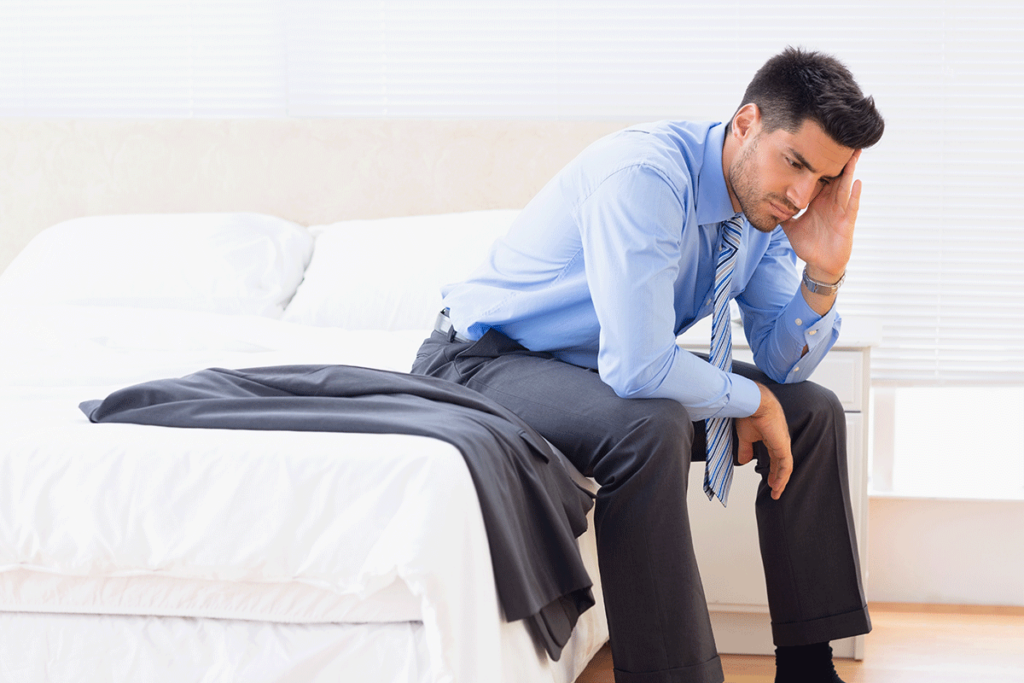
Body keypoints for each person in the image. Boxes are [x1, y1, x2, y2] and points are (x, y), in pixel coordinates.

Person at [411, 46, 884, 683]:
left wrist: (822, 272)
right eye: (794, 163)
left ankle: (809, 668)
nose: (802, 195)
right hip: (485, 361)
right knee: (650, 424)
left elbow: (781, 362)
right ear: (746, 123)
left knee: (812, 412)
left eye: (821, 180)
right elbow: (638, 368)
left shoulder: (767, 212)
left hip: (587, 376)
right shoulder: (646, 175)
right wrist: (752, 401)